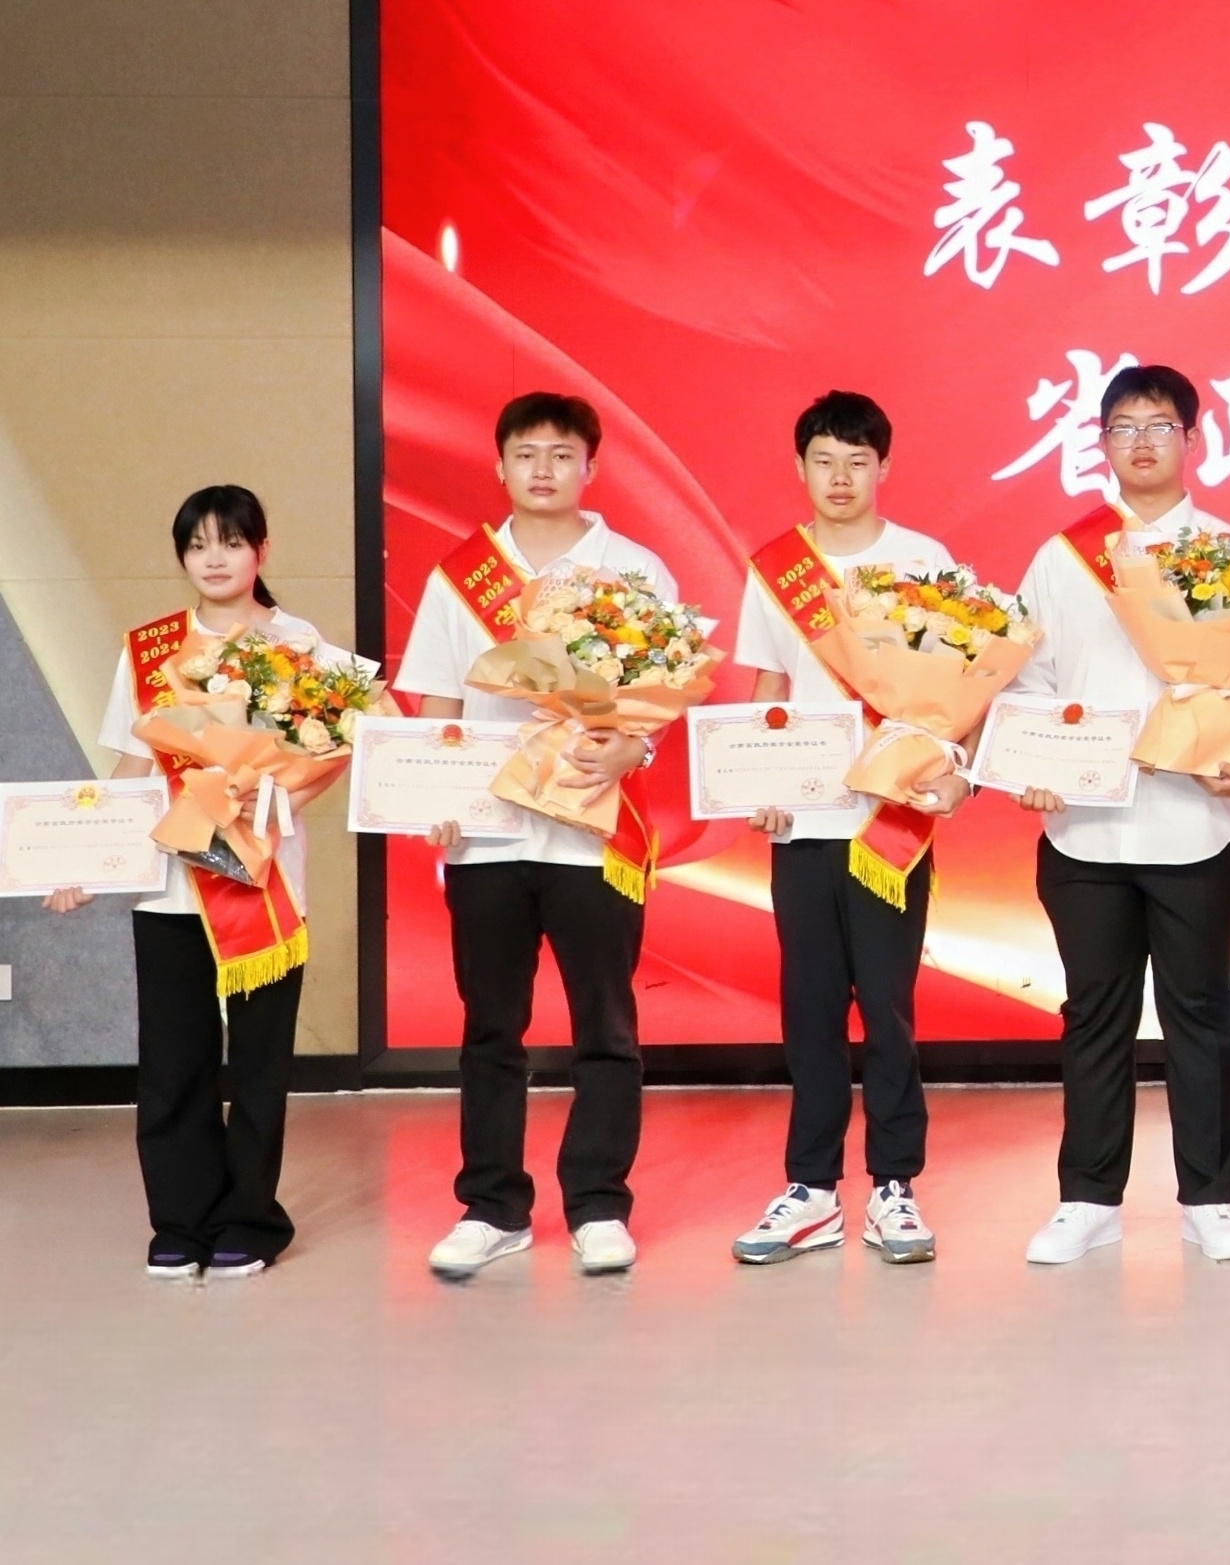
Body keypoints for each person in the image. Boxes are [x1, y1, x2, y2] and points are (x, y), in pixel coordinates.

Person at [397, 392, 679, 1281]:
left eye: (561, 454)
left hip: (593, 834)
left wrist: (636, 745)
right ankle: (493, 1205)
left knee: (606, 1025)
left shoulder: (633, 568)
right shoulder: (461, 577)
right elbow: (436, 702)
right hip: (487, 838)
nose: (544, 469)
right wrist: (431, 790)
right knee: (491, 1027)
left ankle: (599, 1204)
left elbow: (661, 699)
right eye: (527, 454)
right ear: (500, 466)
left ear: (590, 467)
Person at [1011, 365, 1230, 1268]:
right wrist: (1035, 763)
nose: (1142, 442)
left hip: (1198, 825)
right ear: (1102, 442)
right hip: (1084, 828)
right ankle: (1088, 1197)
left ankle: (1211, 1197)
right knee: (1094, 1016)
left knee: (1202, 1013)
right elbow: (1026, 675)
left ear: (1192, 439)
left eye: (1160, 425)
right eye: (1124, 427)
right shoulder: (1063, 556)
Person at [49, 486, 325, 1280]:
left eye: (231, 542)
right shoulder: (150, 648)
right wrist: (83, 857)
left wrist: (256, 804)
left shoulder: (299, 643)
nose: (214, 558)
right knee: (173, 1061)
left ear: (260, 551)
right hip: (168, 886)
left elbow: (321, 760)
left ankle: (250, 1218)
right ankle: (181, 1219)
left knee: (260, 1065)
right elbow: (132, 765)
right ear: (181, 557)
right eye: (198, 544)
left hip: (263, 880)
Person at [725, 392, 970, 1269]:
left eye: (857, 461)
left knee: (890, 1009)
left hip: (888, 822)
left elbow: (962, 684)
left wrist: (954, 772)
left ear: (883, 468)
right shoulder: (776, 570)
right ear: (800, 468)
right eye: (824, 461)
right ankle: (813, 1188)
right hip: (803, 824)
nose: (840, 478)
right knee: (811, 1009)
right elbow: (766, 692)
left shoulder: (924, 561)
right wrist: (755, 780)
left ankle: (895, 1183)